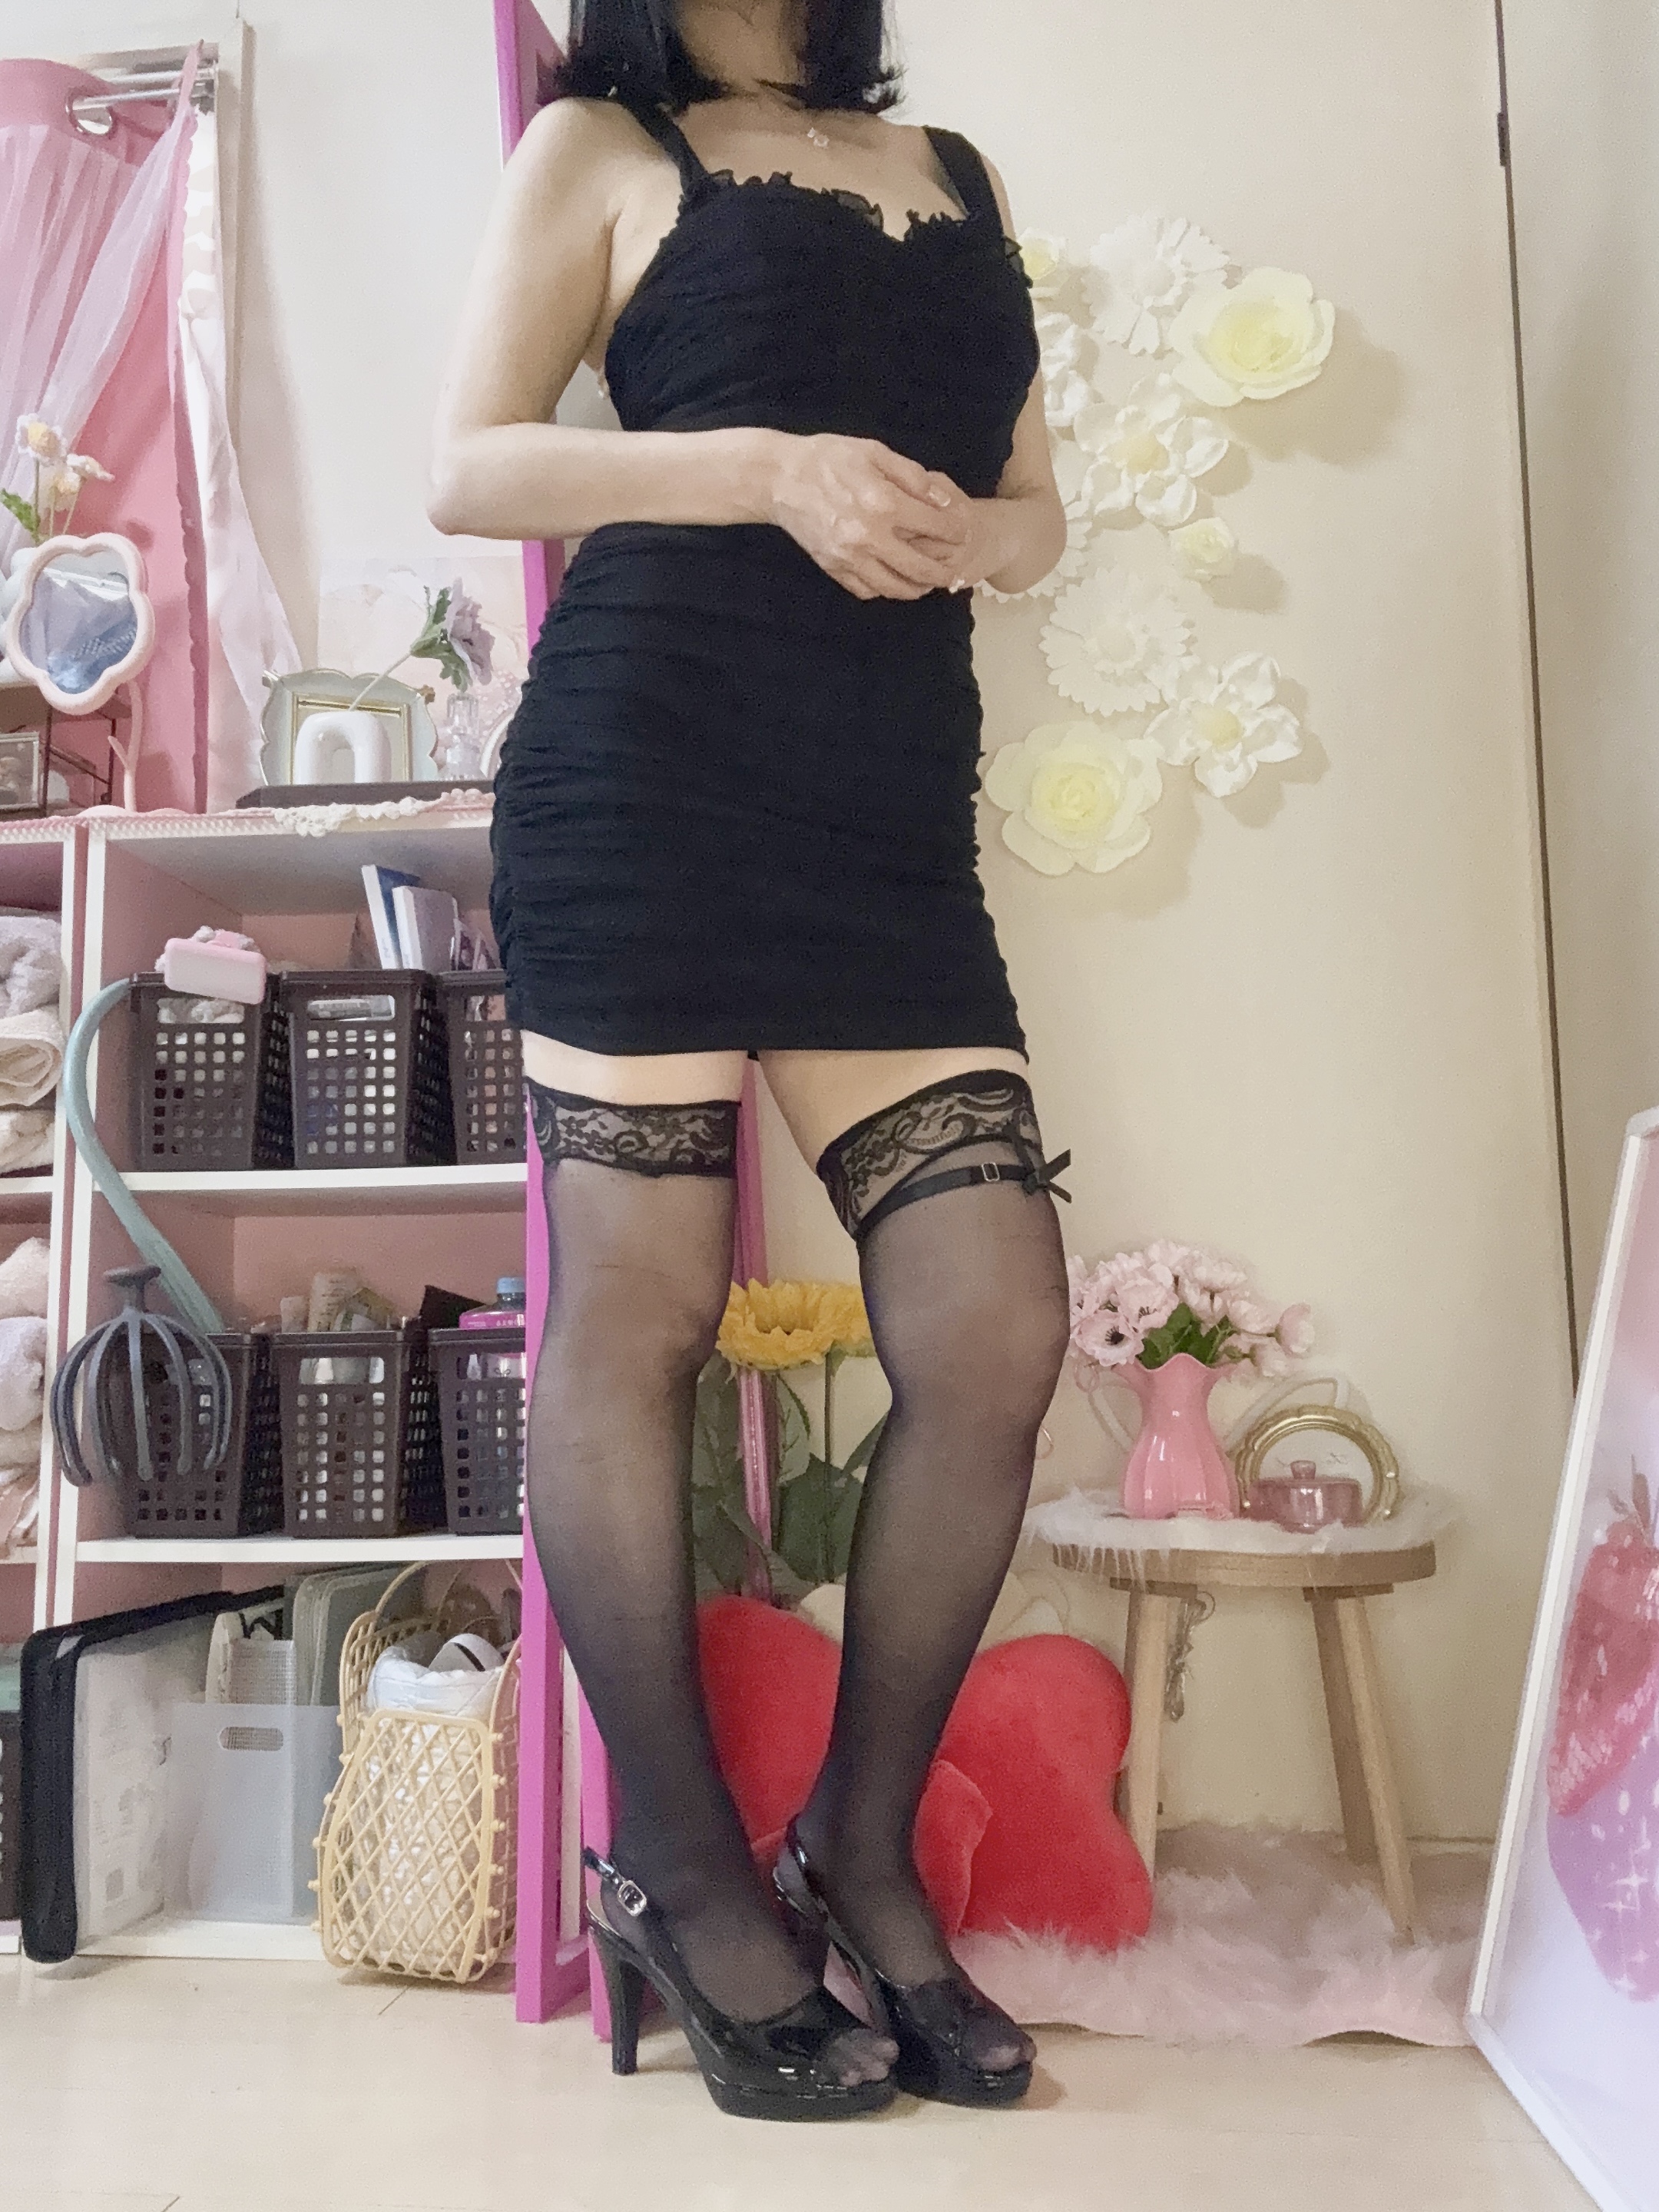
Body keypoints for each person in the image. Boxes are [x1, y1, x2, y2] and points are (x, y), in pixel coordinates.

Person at [430, 0, 1071, 2122]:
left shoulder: (956, 174)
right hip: (649, 768)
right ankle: (689, 1884)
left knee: (990, 1325)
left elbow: (1036, 506)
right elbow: (472, 461)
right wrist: (765, 468)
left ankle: (857, 1853)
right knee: (640, 1314)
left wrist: (987, 537)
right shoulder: (603, 148)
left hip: (882, 817)